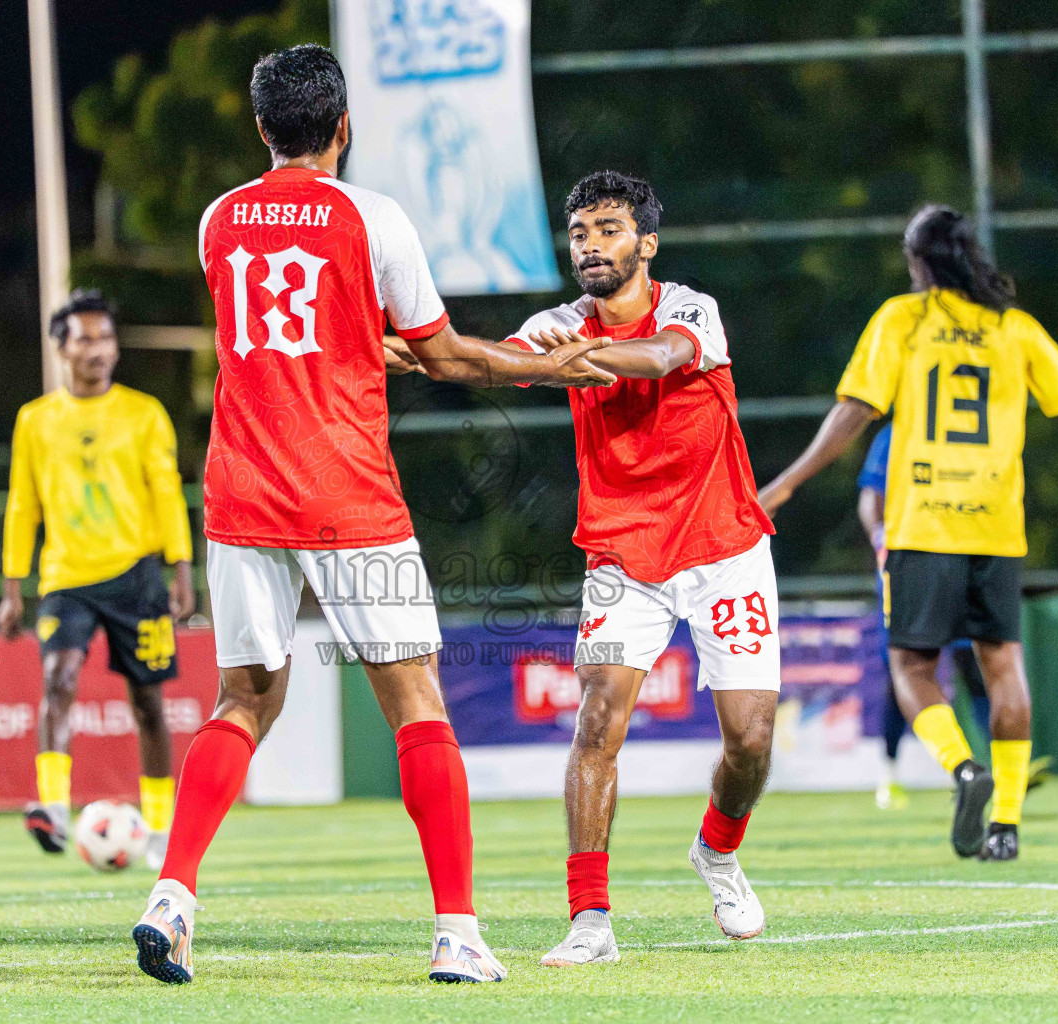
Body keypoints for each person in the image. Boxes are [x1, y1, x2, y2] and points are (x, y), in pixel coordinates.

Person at [131, 44, 616, 987]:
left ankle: (173, 896)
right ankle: (458, 934)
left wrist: (365, 345)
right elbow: (444, 357)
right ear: (345, 127)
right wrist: (542, 363)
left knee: (243, 701)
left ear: (263, 129)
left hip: (241, 492)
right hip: (348, 491)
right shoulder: (373, 217)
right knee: (416, 705)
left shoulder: (217, 221)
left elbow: (286, 339)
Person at [759, 205, 1058, 861]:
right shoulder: (1014, 330)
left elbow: (854, 412)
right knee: (1003, 665)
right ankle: (1007, 824)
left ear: (918, 264)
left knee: (911, 665)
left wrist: (786, 483)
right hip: (995, 524)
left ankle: (962, 767)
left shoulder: (903, 320)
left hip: (924, 521)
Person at [500, 171, 780, 966]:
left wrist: (578, 356)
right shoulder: (554, 323)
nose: (591, 244)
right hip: (623, 554)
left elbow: (660, 358)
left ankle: (717, 852)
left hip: (724, 547)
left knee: (751, 740)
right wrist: (414, 351)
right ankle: (590, 920)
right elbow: (495, 363)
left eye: (610, 229)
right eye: (581, 231)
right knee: (596, 723)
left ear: (646, 244)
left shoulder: (692, 309)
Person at [0, 288, 196, 870]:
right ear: (62, 348)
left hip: (138, 578)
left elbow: (166, 495)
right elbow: (21, 506)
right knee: (58, 679)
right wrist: (13, 587)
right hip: (66, 579)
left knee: (148, 705)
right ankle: (52, 808)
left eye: (106, 338)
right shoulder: (35, 421)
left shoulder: (144, 413)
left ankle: (159, 829)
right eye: (85, 339)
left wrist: (181, 572)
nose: (99, 350)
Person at [858, 423, 993, 811]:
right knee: (902, 672)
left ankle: (982, 768)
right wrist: (881, 537)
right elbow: (872, 496)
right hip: (909, 562)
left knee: (970, 664)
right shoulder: (897, 434)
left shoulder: (960, 432)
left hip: (958, 556)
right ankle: (890, 775)